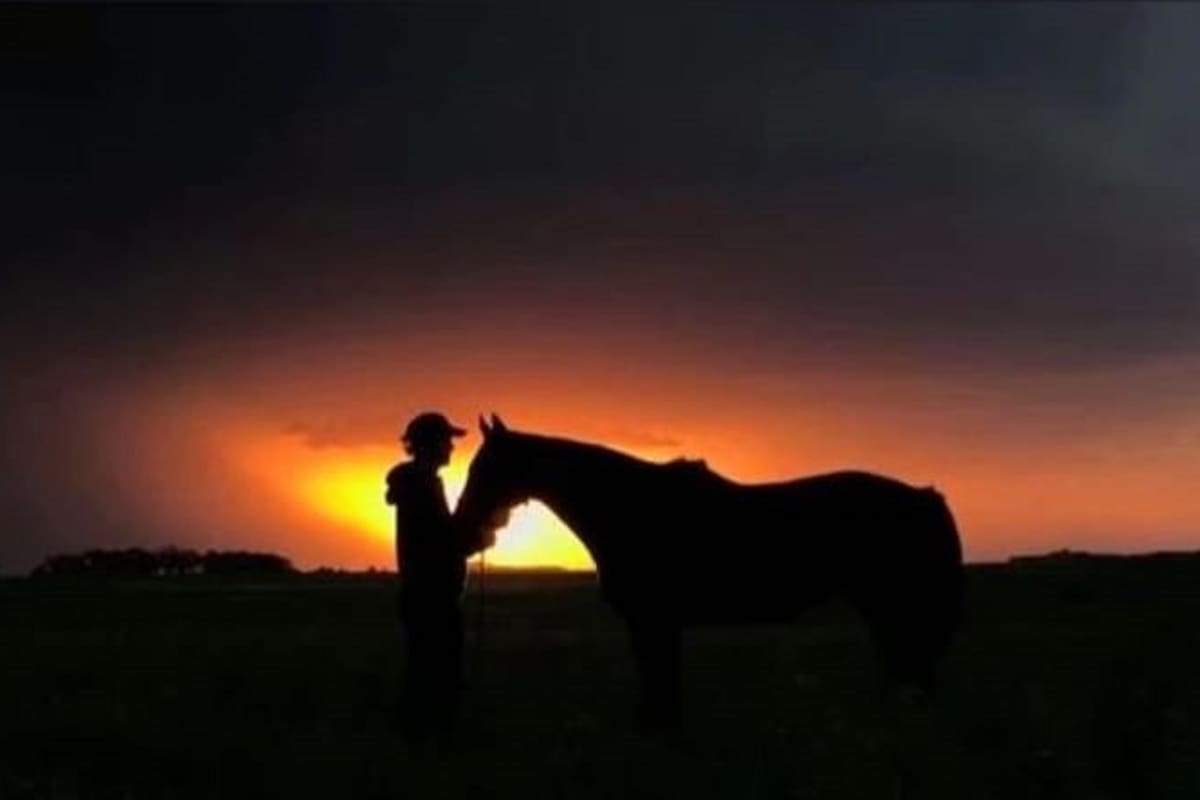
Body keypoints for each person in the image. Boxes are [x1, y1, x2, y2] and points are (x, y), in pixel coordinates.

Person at [385, 411, 486, 734]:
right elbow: (441, 541)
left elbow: (439, 538)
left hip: (421, 594)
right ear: (430, 444)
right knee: (437, 674)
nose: (451, 448)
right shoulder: (423, 486)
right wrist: (474, 538)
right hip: (433, 596)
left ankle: (420, 740)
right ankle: (430, 740)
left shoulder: (417, 483)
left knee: (423, 670)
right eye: (447, 441)